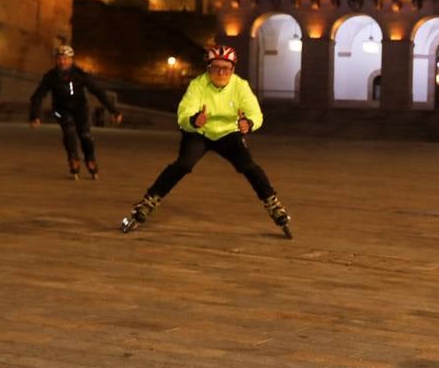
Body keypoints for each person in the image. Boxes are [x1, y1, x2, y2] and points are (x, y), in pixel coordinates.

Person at [120, 45, 292, 237]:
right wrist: (193, 120)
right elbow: (183, 113)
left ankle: (273, 204)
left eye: (225, 68)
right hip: (199, 133)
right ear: (207, 68)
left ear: (233, 69)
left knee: (249, 166)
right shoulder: (198, 85)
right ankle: (148, 201)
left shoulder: (240, 86)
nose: (221, 73)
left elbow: (256, 113)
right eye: (215, 68)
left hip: (228, 133)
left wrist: (249, 123)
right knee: (183, 164)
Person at [29, 45, 122, 179]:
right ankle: (73, 159)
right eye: (60, 59)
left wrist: (114, 111)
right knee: (69, 131)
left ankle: (90, 159)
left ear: (71, 60)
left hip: (80, 108)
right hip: (60, 110)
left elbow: (98, 91)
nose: (62, 62)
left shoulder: (80, 74)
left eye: (65, 59)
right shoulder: (50, 76)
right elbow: (37, 96)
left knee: (85, 135)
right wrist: (35, 116)